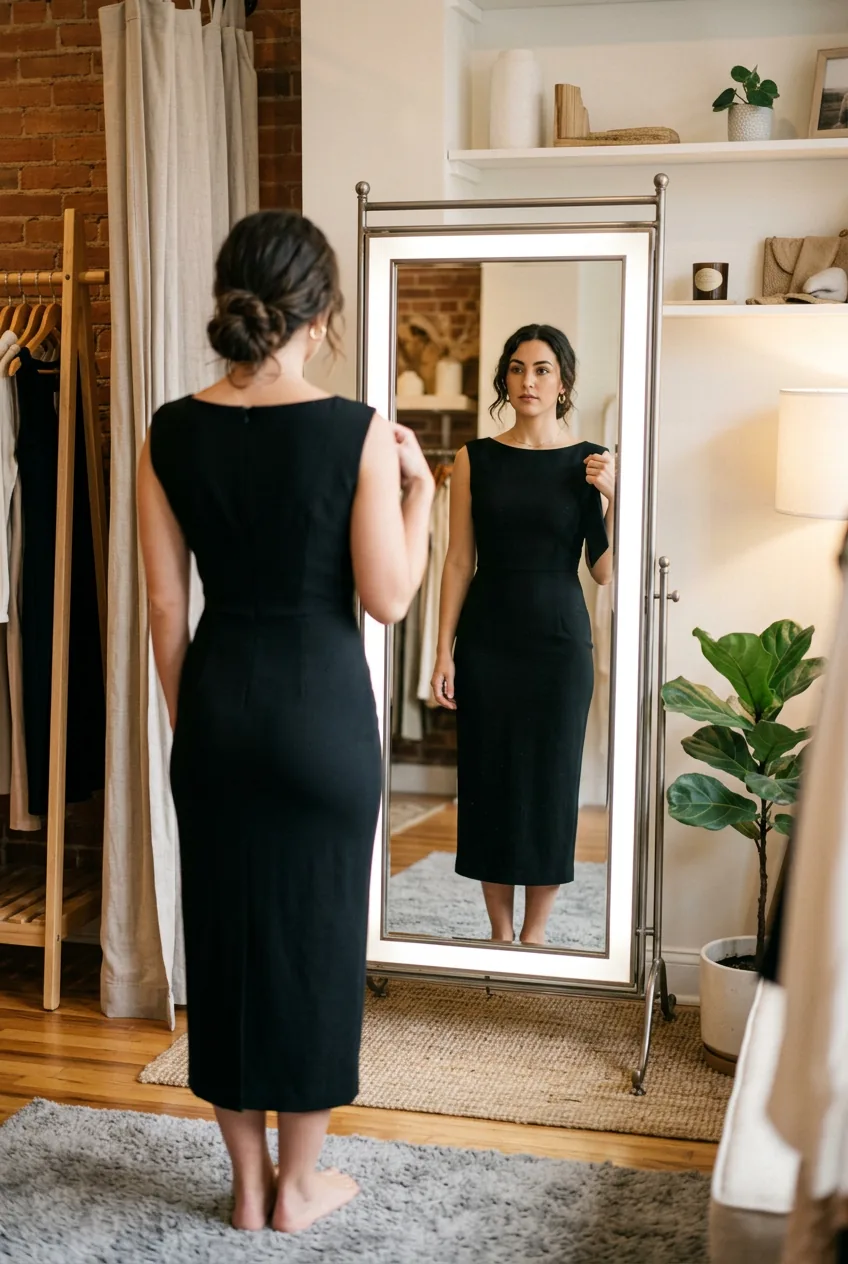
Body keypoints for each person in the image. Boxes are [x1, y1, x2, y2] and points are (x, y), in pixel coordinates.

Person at [137, 210, 434, 1233]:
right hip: (320, 714)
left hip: (219, 706)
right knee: (311, 940)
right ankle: (301, 1186)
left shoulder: (169, 429)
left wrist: (196, 723)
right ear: (323, 311)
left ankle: (247, 1179)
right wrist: (423, 497)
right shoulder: (352, 428)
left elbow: (167, 611)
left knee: (224, 939)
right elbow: (387, 597)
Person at [430, 324, 615, 946]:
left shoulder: (590, 461)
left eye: (540, 369)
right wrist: (442, 649)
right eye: (516, 368)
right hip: (487, 638)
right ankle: (499, 933)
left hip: (561, 643)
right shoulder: (473, 457)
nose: (527, 380)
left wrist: (615, 499)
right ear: (504, 379)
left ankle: (535, 936)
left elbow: (605, 569)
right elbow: (458, 561)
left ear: (562, 381)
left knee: (552, 782)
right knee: (488, 779)